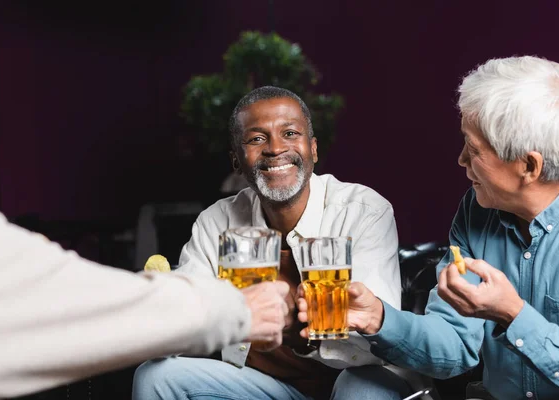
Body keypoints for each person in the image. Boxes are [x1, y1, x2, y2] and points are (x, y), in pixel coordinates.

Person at [296, 55, 559, 400]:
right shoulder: (477, 209)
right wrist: (378, 318)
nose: (461, 159)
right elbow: (452, 349)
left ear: (529, 165)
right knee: (361, 387)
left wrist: (513, 314)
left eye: (474, 148)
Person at [0, 121, 290, 399]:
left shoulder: (342, 206)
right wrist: (242, 310)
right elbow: (83, 305)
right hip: (243, 363)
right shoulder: (216, 220)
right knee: (156, 375)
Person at [133, 86, 421, 400]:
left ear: (313, 149)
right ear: (236, 160)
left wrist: (303, 335)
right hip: (264, 387)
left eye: (290, 133)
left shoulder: (363, 212)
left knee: (360, 390)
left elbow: (377, 340)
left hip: (356, 376)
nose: (274, 149)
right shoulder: (216, 222)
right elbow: (189, 322)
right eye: (257, 139)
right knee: (155, 376)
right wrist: (161, 307)